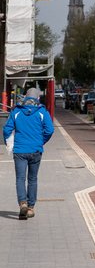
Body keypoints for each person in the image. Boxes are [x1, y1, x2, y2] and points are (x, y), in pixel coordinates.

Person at [3, 86, 54, 220]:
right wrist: (41, 141)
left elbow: (6, 129)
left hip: (20, 150)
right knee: (32, 179)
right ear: (38, 98)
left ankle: (22, 203)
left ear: (25, 97)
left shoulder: (16, 112)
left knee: (20, 178)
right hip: (36, 150)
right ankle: (30, 208)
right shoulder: (42, 111)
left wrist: (9, 143)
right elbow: (50, 130)